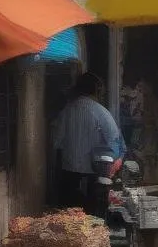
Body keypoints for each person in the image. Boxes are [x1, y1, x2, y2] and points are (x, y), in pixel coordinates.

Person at [52, 72, 126, 210]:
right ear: (97, 90)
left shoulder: (66, 111)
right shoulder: (101, 112)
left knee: (70, 218)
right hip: (93, 174)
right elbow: (114, 140)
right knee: (91, 218)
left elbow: (56, 142)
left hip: (68, 174)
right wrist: (116, 159)